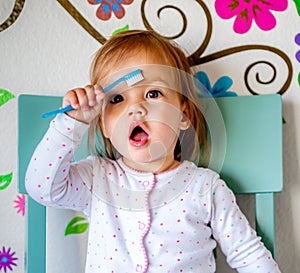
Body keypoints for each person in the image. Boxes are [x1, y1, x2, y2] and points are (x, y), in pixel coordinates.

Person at [25, 30, 281, 273]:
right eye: (117, 99)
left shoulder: (205, 187)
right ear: (103, 124)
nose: (135, 108)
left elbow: (248, 252)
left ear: (183, 115)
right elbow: (42, 187)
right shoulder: (97, 179)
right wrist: (72, 123)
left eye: (153, 93)